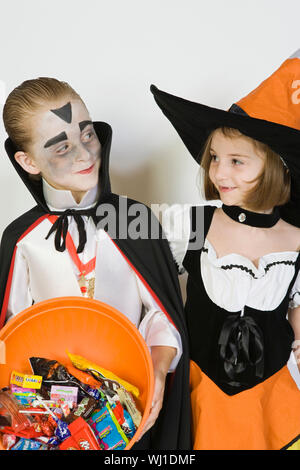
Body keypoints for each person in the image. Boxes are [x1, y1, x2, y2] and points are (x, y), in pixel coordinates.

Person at [0, 77, 191, 449]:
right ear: (27, 161)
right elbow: (13, 331)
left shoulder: (134, 221)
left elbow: (161, 312)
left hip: (131, 407)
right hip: (52, 423)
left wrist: (157, 370)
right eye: (62, 147)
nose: (85, 155)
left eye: (87, 135)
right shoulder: (21, 239)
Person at [151, 49, 300, 450]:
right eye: (215, 158)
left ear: (277, 167)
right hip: (198, 398)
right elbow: (128, 254)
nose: (218, 172)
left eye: (236, 161)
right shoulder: (190, 225)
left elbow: (297, 315)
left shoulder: (298, 242)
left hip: (273, 407)